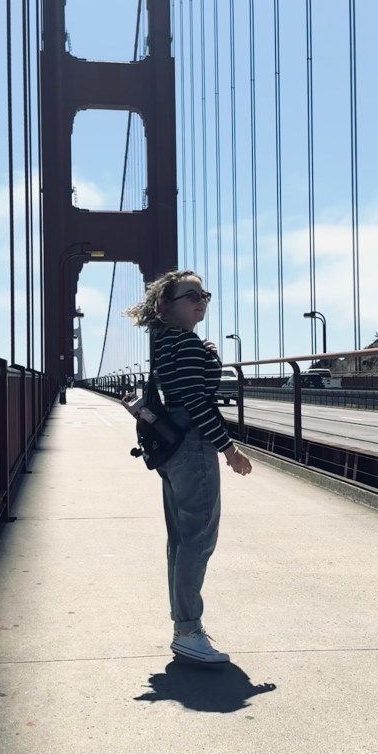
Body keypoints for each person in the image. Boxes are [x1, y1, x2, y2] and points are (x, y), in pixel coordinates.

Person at [125, 268, 252, 665]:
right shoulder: (186, 345)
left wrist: (207, 354)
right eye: (191, 296)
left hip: (172, 446)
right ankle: (188, 630)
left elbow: (184, 389)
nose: (201, 302)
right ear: (166, 306)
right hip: (193, 448)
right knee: (199, 539)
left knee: (181, 540)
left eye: (204, 296)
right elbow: (197, 403)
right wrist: (229, 450)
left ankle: (184, 626)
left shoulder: (169, 343)